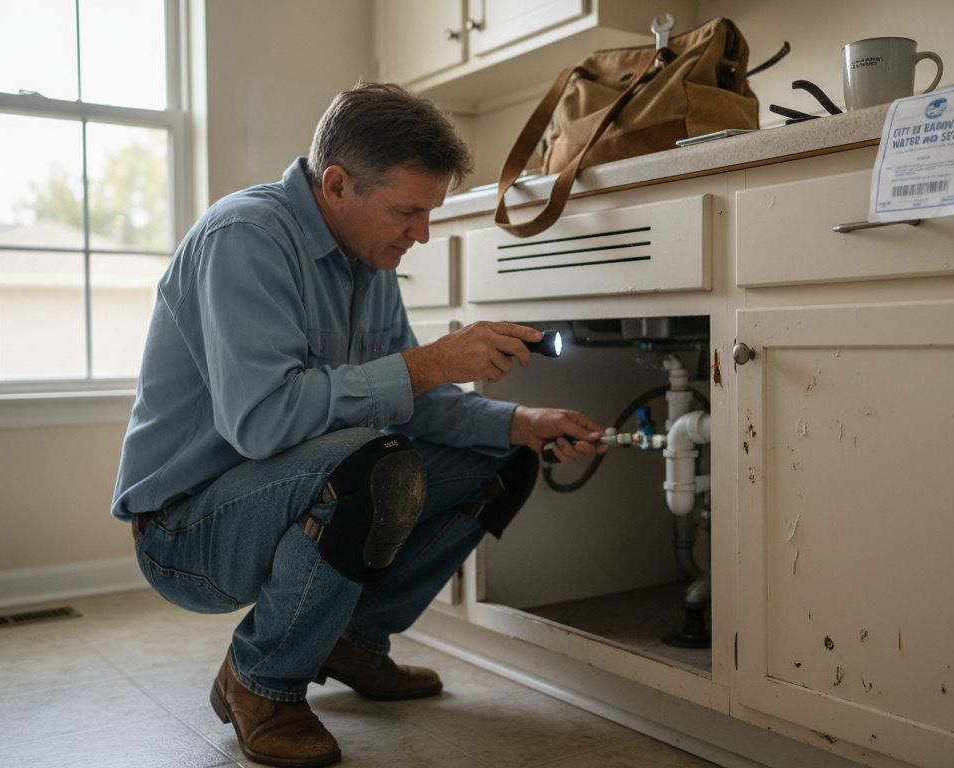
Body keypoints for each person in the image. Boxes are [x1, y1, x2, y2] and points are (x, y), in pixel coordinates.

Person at [111, 82, 607, 767]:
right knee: (373, 466)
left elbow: (414, 401)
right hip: (186, 528)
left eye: (428, 213)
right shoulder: (245, 238)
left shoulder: (369, 259)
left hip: (285, 488)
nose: (422, 233)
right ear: (337, 184)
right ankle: (262, 682)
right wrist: (429, 361)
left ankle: (349, 640)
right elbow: (263, 423)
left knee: (503, 457)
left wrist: (522, 420)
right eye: (408, 211)